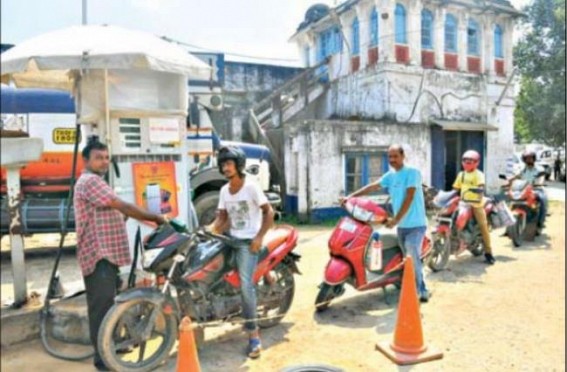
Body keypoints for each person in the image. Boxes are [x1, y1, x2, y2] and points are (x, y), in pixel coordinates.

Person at [73, 138, 166, 371]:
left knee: (111, 305)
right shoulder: (90, 181)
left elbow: (115, 210)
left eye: (106, 157)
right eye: (98, 157)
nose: (104, 162)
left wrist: (141, 220)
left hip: (107, 255)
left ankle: (112, 347)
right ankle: (103, 360)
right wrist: (154, 217)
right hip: (98, 255)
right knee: (102, 309)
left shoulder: (96, 182)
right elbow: (120, 205)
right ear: (86, 160)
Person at [339, 144, 430, 303]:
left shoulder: (413, 173)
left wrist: (396, 219)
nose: (392, 160)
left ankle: (422, 289)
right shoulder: (390, 176)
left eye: (395, 156)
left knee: (411, 256)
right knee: (400, 254)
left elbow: (409, 197)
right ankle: (399, 280)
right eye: (390, 157)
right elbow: (372, 187)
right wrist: (350, 197)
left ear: (403, 156)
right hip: (402, 227)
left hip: (416, 224)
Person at [208, 145, 274, 358]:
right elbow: (222, 217)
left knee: (246, 286)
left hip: (249, 243)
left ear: (238, 165)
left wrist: (258, 238)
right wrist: (209, 230)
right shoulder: (224, 190)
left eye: (229, 163)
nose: (225, 168)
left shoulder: (251, 187)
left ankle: (254, 336)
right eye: (223, 164)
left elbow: (268, 212)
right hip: (232, 239)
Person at [452, 150, 495, 265]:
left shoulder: (479, 174)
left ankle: (488, 253)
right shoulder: (461, 174)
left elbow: (481, 188)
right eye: (465, 160)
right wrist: (448, 197)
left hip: (476, 204)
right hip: (463, 202)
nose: (467, 163)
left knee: (483, 226)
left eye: (470, 161)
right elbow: (455, 189)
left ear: (476, 162)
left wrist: (479, 195)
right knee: (451, 217)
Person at [508, 149, 548, 229]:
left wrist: (540, 183)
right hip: (523, 189)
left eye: (530, 158)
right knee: (510, 201)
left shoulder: (539, 169)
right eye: (526, 158)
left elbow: (541, 178)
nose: (529, 160)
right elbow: (516, 176)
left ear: (534, 158)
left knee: (543, 200)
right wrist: (510, 180)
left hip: (536, 189)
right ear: (524, 159)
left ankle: (540, 222)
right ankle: (508, 228)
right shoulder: (522, 169)